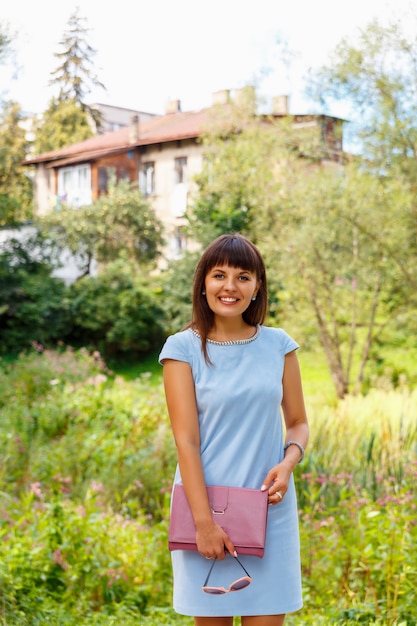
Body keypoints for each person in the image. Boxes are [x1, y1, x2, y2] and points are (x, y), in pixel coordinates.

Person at [158, 233, 309, 626]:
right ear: (203, 283)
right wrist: (204, 524)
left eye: (243, 277)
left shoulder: (279, 345)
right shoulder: (182, 349)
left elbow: (298, 423)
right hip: (204, 510)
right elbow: (186, 442)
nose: (230, 286)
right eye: (219, 275)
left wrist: (289, 463)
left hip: (268, 510)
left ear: (257, 287)